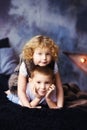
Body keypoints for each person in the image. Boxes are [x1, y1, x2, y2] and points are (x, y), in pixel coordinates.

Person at [17, 35, 64, 109]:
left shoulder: (53, 64)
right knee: (16, 95)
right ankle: (10, 91)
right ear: (32, 54)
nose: (44, 58)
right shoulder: (25, 65)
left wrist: (60, 106)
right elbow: (21, 90)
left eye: (47, 54)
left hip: (43, 86)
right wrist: (27, 107)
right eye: (40, 54)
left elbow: (59, 87)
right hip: (28, 86)